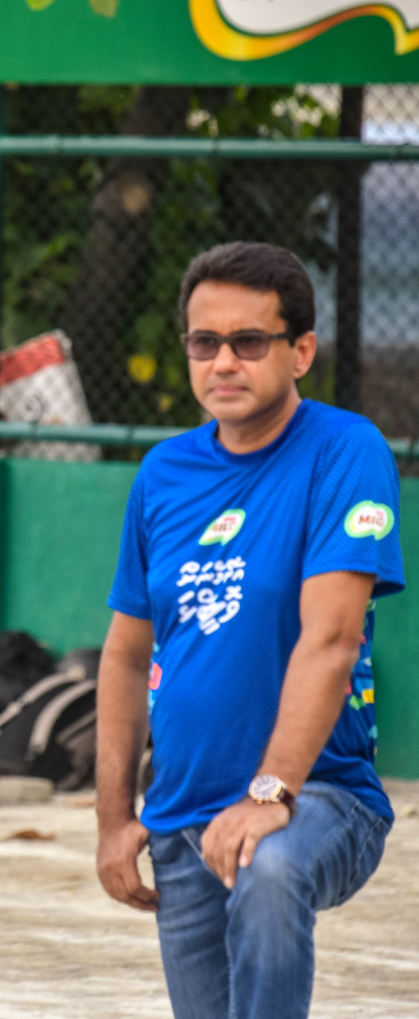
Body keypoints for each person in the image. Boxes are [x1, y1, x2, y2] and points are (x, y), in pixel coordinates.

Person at [95, 242, 405, 1019]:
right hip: (183, 815)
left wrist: (271, 794)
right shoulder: (163, 474)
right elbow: (127, 655)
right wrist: (113, 819)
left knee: (270, 867)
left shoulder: (346, 450)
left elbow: (331, 641)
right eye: (205, 343)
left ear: (300, 351)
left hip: (319, 799)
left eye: (249, 342)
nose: (223, 361)